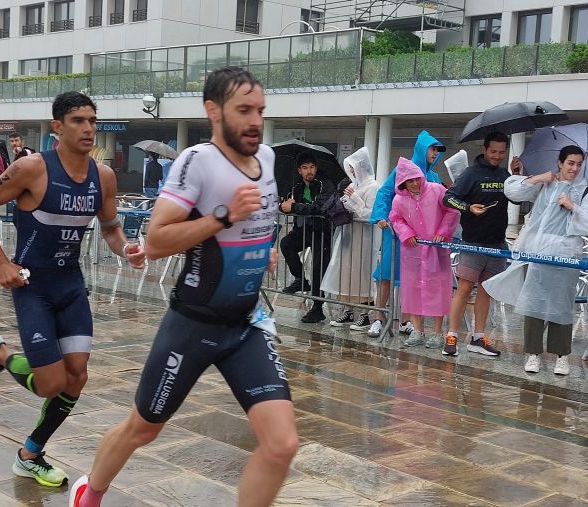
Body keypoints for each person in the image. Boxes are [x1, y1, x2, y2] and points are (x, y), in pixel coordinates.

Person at [69, 67, 297, 507]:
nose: (255, 121)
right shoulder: (198, 161)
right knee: (144, 428)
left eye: (260, 111)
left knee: (282, 444)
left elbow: (257, 221)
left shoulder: (267, 159)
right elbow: (156, 239)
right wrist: (222, 217)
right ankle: (90, 492)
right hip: (193, 324)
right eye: (244, 110)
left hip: (246, 324)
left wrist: (263, 246)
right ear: (213, 111)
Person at [0, 91, 144, 487]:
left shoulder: (105, 176)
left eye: (92, 121)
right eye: (78, 120)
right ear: (57, 127)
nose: (87, 128)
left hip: (70, 282)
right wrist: (1, 262)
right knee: (50, 383)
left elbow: (111, 228)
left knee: (77, 376)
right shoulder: (31, 168)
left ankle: (30, 454)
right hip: (32, 284)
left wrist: (126, 249)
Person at [486, 145, 588, 374]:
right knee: (533, 303)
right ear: (560, 162)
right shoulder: (545, 185)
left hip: (566, 256)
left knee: (562, 306)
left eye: (579, 164)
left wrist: (572, 206)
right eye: (570, 163)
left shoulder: (585, 191)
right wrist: (538, 177)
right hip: (536, 253)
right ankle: (533, 354)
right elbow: (513, 191)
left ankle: (561, 356)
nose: (574, 168)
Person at [442, 131, 520, 357]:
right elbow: (448, 197)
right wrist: (468, 208)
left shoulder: (505, 173)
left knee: (487, 290)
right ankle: (452, 334)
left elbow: (516, 198)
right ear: (485, 149)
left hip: (497, 243)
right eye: (493, 151)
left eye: (502, 152)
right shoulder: (471, 174)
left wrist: (516, 175)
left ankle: (478, 337)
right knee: (465, 288)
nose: (497, 156)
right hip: (473, 243)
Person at [368, 130, 446, 339]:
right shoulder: (403, 169)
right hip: (395, 236)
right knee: (386, 275)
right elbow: (385, 192)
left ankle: (405, 321)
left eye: (437, 150)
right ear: (422, 149)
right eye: (432, 148)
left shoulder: (434, 177)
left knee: (411, 280)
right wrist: (381, 217)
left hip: (419, 242)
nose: (435, 153)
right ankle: (378, 317)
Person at [388, 157, 460, 348]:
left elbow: (452, 211)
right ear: (403, 182)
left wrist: (442, 233)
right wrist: (406, 233)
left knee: (438, 289)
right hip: (412, 251)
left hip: (436, 250)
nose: (414, 183)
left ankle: (437, 332)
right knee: (412, 289)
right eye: (409, 180)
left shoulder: (436, 190)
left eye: (416, 179)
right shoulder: (399, 199)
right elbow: (395, 219)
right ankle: (417, 330)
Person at [321, 147, 379, 330]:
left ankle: (365, 313)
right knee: (346, 272)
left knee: (362, 273)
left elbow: (371, 214)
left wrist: (354, 201)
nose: (352, 172)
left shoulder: (373, 187)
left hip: (364, 237)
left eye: (355, 168)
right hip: (348, 235)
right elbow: (346, 204)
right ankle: (347, 310)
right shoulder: (354, 185)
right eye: (350, 169)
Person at [279, 152, 333, 323]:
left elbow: (319, 207)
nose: (309, 171)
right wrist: (283, 206)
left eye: (312, 167)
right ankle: (301, 279)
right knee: (286, 243)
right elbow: (287, 205)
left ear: (316, 168)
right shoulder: (296, 187)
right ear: (299, 170)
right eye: (305, 168)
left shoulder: (325, 183)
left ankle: (317, 308)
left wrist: (296, 206)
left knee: (318, 268)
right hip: (302, 230)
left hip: (322, 231)